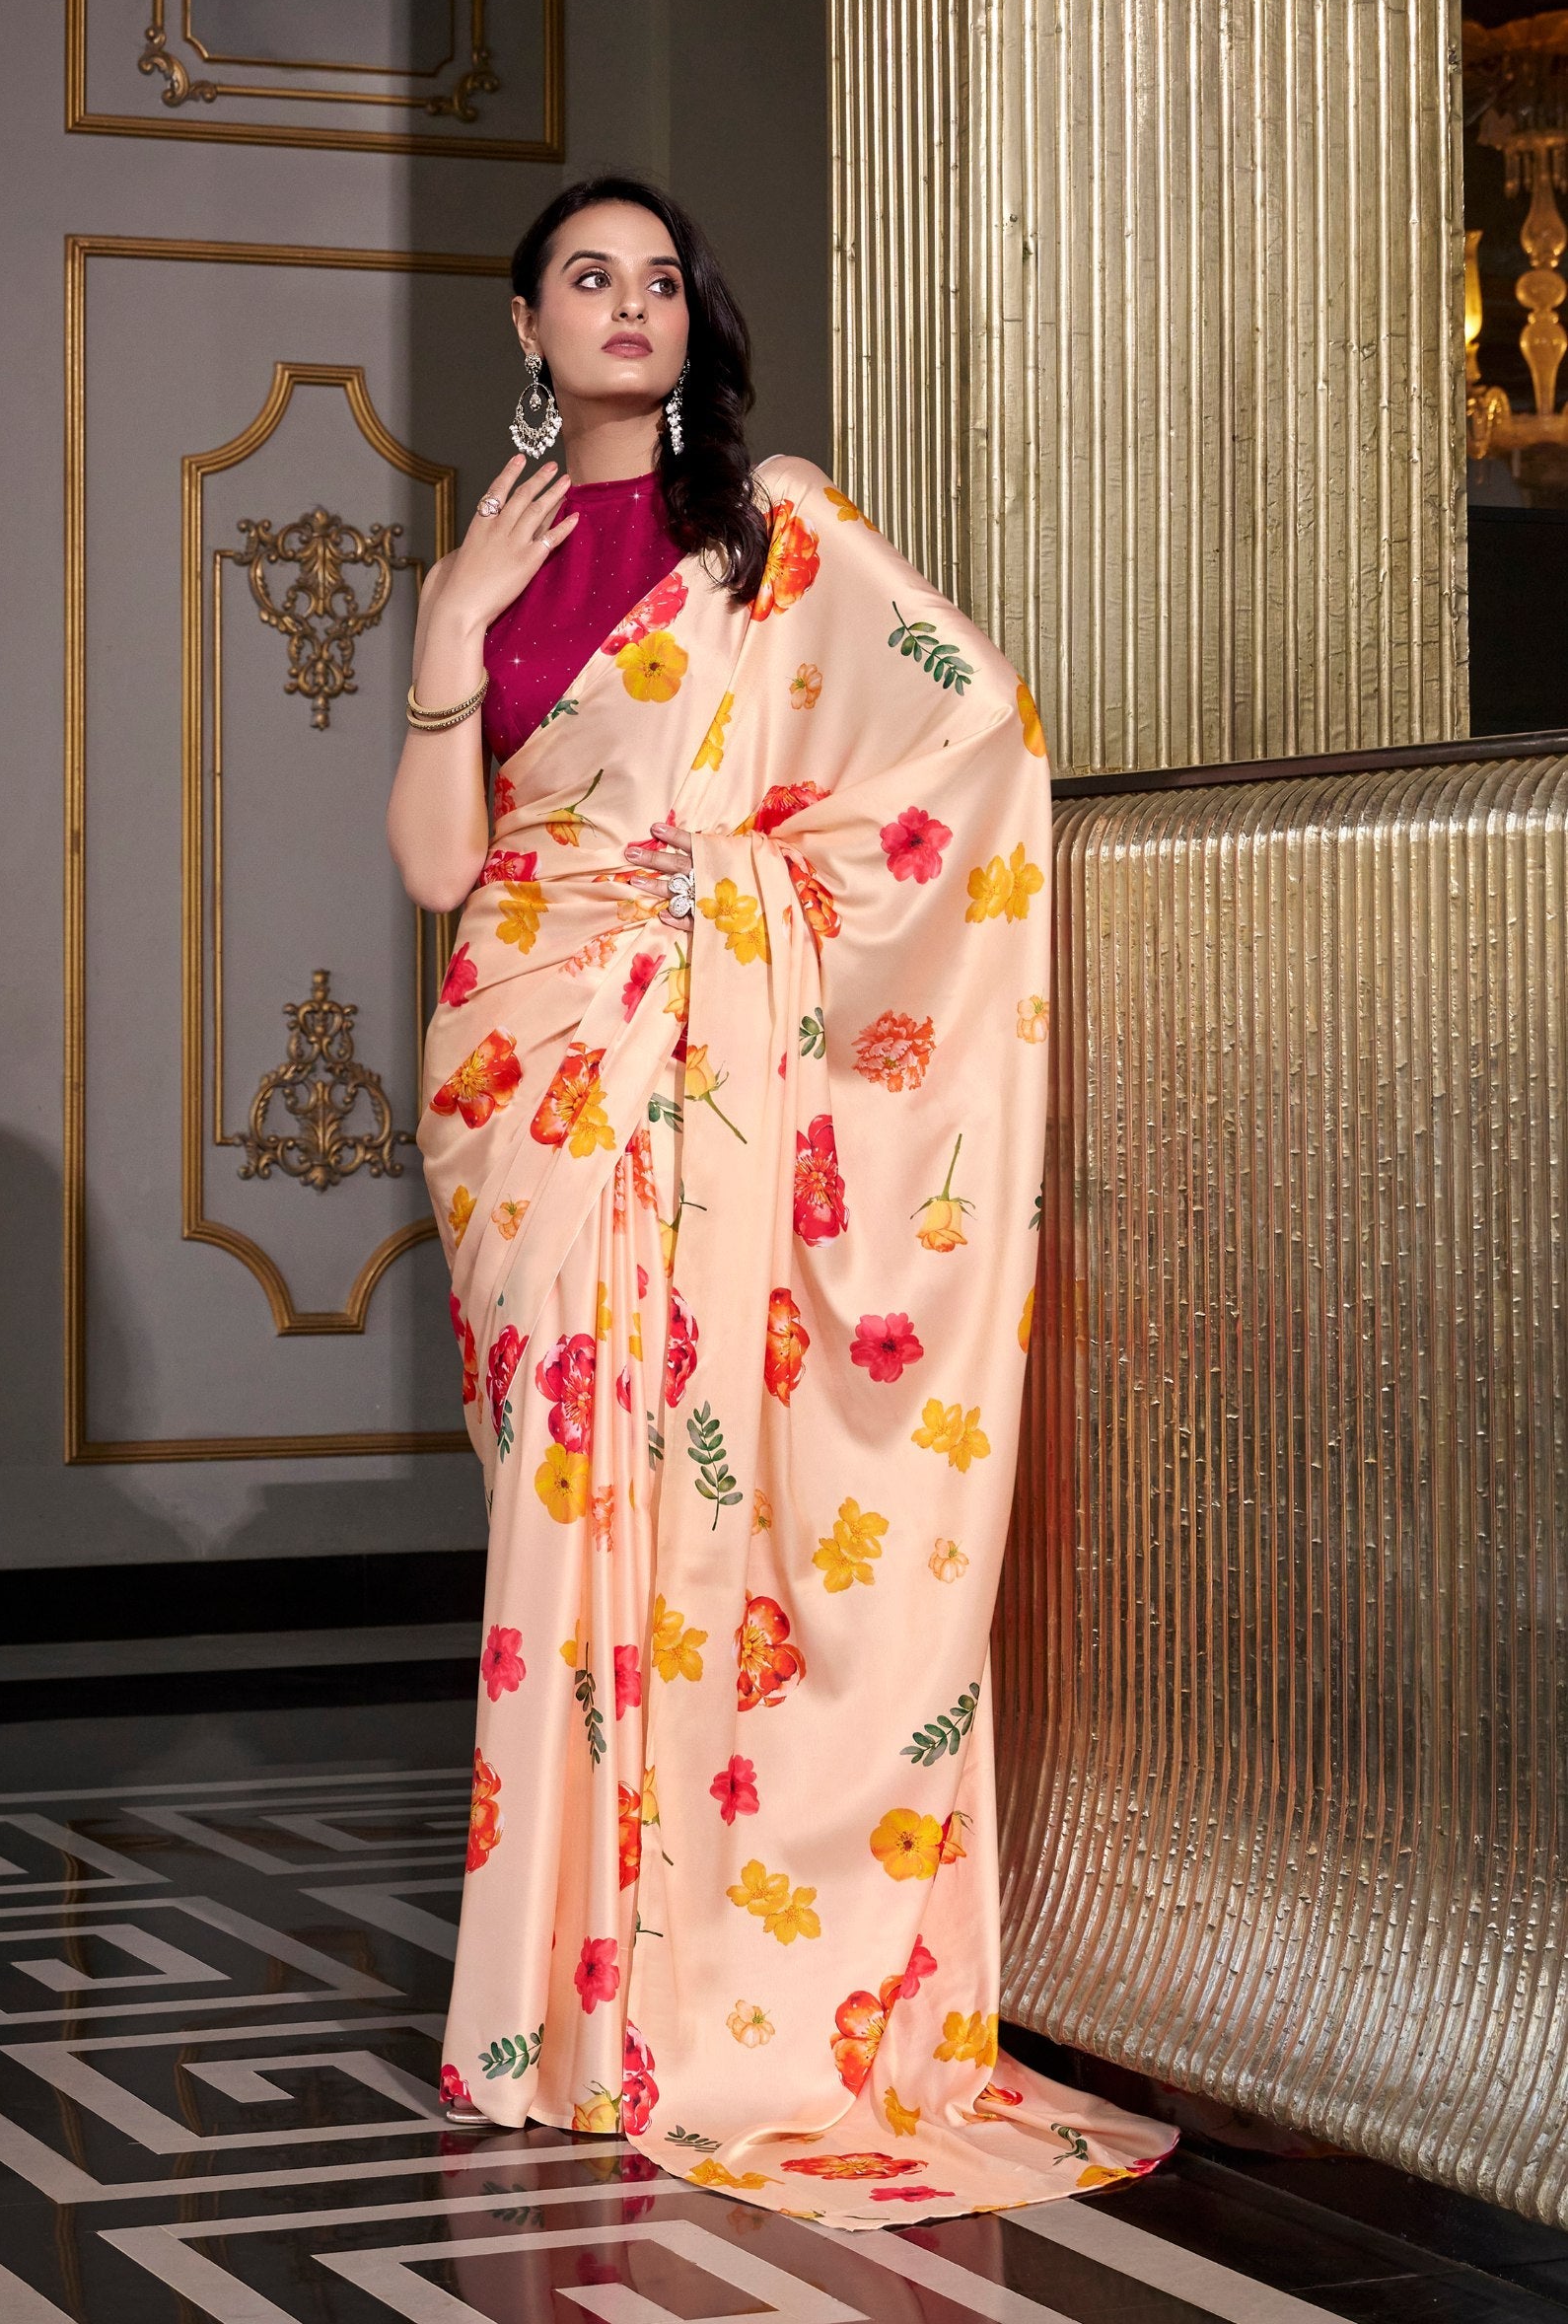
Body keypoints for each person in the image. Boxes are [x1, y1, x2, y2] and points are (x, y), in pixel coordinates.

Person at [388, 174, 1176, 2230]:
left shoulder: (770, 536)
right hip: (533, 1072)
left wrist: (726, 898)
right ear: (525, 323)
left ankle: (702, 1995)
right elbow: (438, 868)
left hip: (704, 1070)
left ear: (688, 323)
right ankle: (554, 2011)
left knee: (705, 1505)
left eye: (659, 280)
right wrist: (450, 641)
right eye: (588, 278)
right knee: (563, 1508)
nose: (627, 306)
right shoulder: (483, 564)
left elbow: (972, 737)